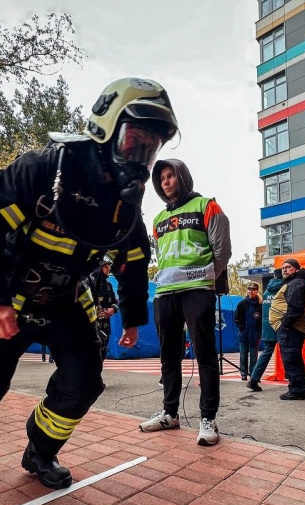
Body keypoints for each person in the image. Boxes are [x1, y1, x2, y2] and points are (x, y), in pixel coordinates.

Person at [0, 77, 179, 489]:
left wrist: (135, 317)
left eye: (151, 146)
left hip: (66, 300)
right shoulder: (42, 169)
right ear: (105, 127)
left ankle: (39, 453)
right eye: (135, 140)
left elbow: (135, 259)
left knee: (84, 382)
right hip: (8, 298)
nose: (142, 155)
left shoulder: (128, 198)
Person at [139, 158, 231, 446]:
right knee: (168, 356)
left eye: (170, 176)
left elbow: (223, 250)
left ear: (183, 176)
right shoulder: (157, 220)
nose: (166, 181)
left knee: (204, 354)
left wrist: (205, 278)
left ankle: (208, 419)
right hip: (165, 293)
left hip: (197, 290)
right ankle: (169, 412)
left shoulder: (207, 206)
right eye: (162, 178)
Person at [269, 259, 305, 400]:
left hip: (291, 327)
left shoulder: (296, 283)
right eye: (283, 268)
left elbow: (295, 308)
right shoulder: (294, 282)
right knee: (294, 357)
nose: (285, 270)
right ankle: (299, 386)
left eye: (289, 267)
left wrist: (285, 324)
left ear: (296, 270)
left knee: (291, 358)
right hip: (292, 327)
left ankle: (296, 390)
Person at [247, 268, 285, 392]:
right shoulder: (285, 289)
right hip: (281, 324)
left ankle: (253, 379)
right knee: (289, 352)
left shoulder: (266, 292)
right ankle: (294, 380)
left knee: (266, 353)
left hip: (267, 325)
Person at [89, 257, 119, 360]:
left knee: (101, 357)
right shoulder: (88, 283)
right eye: (105, 266)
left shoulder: (108, 285)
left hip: (105, 328)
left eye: (109, 266)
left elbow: (115, 302)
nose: (108, 268)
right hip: (90, 328)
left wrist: (113, 309)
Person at [234, 283, 262, 381]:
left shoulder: (260, 305)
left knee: (254, 356)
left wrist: (259, 331)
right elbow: (236, 318)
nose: (251, 291)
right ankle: (243, 373)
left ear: (257, 291)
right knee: (243, 354)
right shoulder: (242, 303)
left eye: (253, 289)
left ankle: (253, 375)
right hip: (244, 334)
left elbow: (262, 319)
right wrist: (242, 328)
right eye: (249, 289)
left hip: (255, 335)